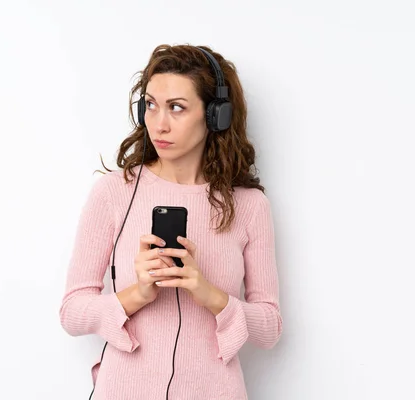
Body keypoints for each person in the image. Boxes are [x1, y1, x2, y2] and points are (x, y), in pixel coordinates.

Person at [59, 44, 283, 400]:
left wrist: (207, 293)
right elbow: (71, 313)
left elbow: (269, 327)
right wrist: (138, 294)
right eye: (150, 105)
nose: (158, 124)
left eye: (176, 107)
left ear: (215, 116)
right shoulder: (114, 192)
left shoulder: (250, 206)